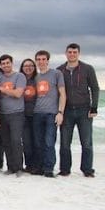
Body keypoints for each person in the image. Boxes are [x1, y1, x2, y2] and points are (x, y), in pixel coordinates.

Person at [57, 43, 99, 178]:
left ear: (78, 53)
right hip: (67, 111)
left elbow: (95, 88)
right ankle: (64, 170)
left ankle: (87, 169)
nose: (72, 54)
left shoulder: (87, 69)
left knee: (86, 142)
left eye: (75, 52)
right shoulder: (60, 70)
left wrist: (94, 107)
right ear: (66, 53)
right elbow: (57, 92)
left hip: (84, 110)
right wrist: (58, 111)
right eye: (70, 52)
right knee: (64, 142)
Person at [32, 50, 66, 178]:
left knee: (49, 142)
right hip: (37, 113)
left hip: (51, 114)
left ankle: (48, 168)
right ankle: (40, 167)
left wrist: (60, 112)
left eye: (43, 59)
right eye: (38, 59)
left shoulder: (56, 74)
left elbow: (63, 94)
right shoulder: (36, 77)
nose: (41, 62)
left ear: (47, 60)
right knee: (38, 142)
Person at [0, 54, 26, 175]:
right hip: (2, 114)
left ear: (12, 63)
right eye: (3, 63)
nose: (6, 65)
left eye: (7, 63)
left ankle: (19, 168)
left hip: (17, 113)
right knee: (6, 142)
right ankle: (11, 167)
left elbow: (18, 93)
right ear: (1, 65)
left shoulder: (19, 76)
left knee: (16, 140)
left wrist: (0, 88)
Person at [20, 58, 37, 173]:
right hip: (23, 115)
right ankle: (29, 165)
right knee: (26, 142)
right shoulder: (20, 80)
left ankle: (37, 165)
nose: (28, 67)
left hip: (36, 114)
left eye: (31, 65)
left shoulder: (38, 79)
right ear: (22, 68)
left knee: (37, 141)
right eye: (25, 66)